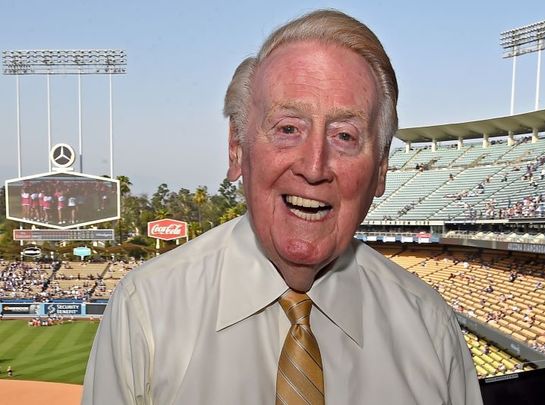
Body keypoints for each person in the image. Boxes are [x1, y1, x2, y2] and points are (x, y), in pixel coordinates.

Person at [82, 9, 482, 405]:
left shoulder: (430, 329)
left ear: (380, 170)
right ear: (237, 148)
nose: (313, 167)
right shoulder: (146, 309)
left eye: (345, 136)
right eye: (288, 129)